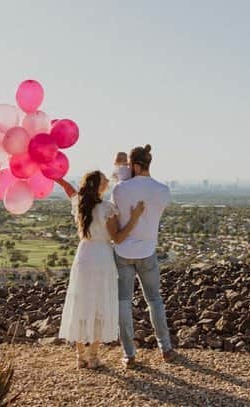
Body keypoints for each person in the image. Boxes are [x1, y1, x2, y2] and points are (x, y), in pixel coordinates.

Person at [55, 170, 145, 368]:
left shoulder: (80, 203)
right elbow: (118, 238)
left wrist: (58, 178)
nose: (107, 181)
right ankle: (93, 356)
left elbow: (69, 189)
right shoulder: (107, 208)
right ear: (99, 186)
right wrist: (135, 217)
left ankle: (80, 356)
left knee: (81, 302)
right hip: (102, 257)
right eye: (105, 180)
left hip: (84, 255)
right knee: (98, 303)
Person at [111, 144, 175, 368]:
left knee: (123, 303)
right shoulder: (163, 191)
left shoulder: (120, 189)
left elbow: (119, 170)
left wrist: (124, 169)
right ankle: (165, 348)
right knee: (155, 300)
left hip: (122, 252)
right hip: (147, 252)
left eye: (131, 165)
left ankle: (129, 354)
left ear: (135, 166)